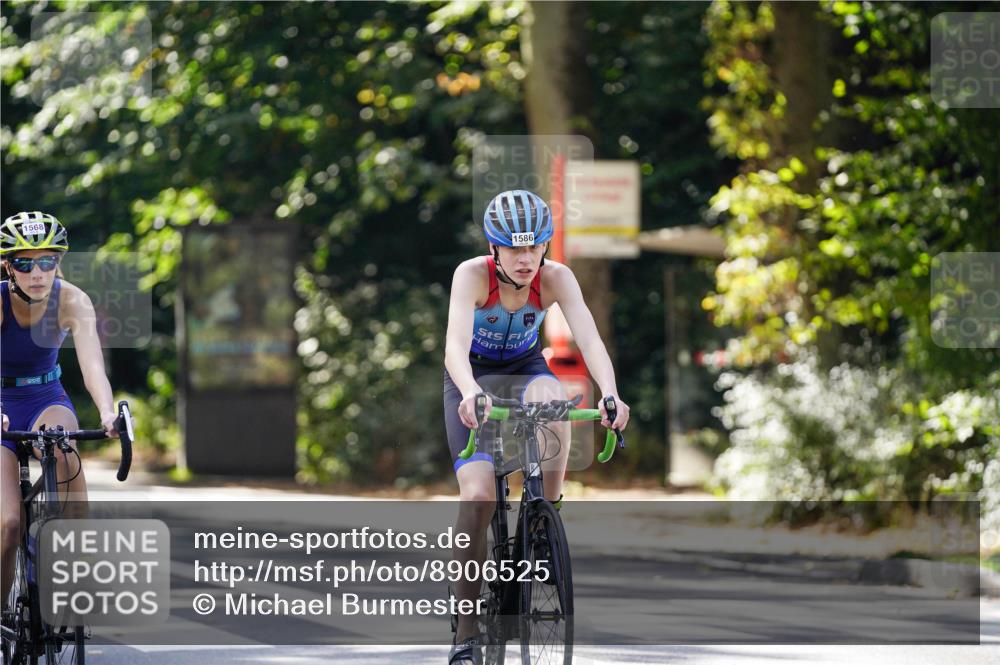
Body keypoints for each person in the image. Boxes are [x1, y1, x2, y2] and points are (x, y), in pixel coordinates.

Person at [443, 190, 630, 663]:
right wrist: (469, 390)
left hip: (527, 368)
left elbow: (588, 335)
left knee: (556, 401)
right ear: (494, 249)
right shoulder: (471, 276)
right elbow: (454, 344)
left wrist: (610, 391)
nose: (526, 259)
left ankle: (545, 516)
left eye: (535, 247)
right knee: (480, 496)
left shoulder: (555, 278)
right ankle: (465, 634)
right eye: (514, 248)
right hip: (474, 377)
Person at [0, 211, 120, 607]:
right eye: (24, 262)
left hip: (45, 397)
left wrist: (106, 412)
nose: (37, 272)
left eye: (47, 261)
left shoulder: (72, 300)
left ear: (59, 263)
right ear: (8, 267)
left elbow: (92, 368)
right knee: (9, 524)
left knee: (64, 449)